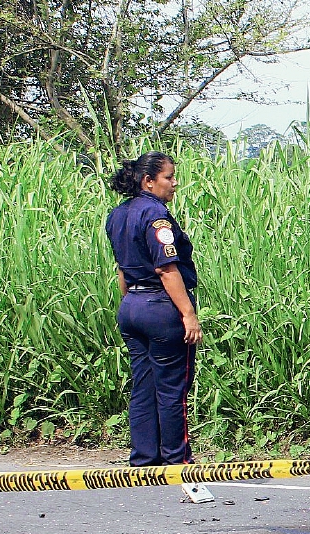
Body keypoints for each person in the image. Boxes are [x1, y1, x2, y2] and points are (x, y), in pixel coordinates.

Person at [105, 152, 210, 501]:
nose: (174, 183)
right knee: (172, 389)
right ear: (148, 181)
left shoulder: (118, 215)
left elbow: (122, 269)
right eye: (169, 177)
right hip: (161, 308)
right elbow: (166, 269)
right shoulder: (155, 216)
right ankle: (178, 461)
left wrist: (131, 304)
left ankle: (143, 461)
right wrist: (188, 314)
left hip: (131, 305)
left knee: (143, 385)